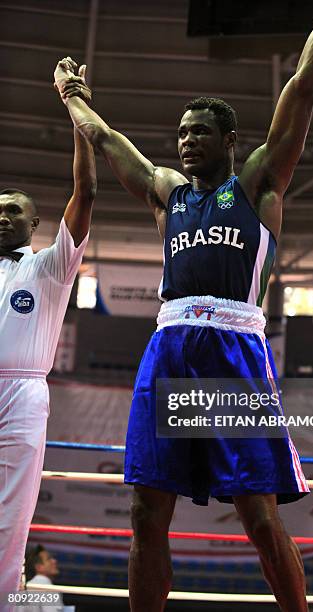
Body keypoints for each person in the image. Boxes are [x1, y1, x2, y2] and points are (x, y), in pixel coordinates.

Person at [54, 1, 313, 610]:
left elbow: (303, 84)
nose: (187, 142)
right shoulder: (168, 194)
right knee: (145, 508)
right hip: (168, 347)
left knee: (259, 515)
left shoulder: (261, 182)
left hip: (234, 350)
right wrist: (72, 96)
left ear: (230, 142)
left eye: (200, 133)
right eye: (182, 133)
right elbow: (106, 138)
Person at [0, 63, 96, 606]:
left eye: (14, 211)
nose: (2, 216)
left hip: (24, 392)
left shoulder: (51, 266)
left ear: (35, 224)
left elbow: (85, 191)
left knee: (12, 516)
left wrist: (77, 113)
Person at [24, 545, 73, 612]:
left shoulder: (26, 587)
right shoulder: (47, 588)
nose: (54, 561)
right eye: (49, 559)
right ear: (39, 567)